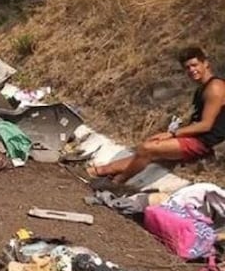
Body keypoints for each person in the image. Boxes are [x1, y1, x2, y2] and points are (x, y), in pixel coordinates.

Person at [89, 46, 225, 184]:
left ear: (206, 63)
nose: (191, 70)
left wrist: (172, 134)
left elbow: (206, 125)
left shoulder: (215, 87)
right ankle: (102, 170)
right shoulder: (202, 88)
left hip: (201, 143)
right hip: (195, 138)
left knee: (147, 149)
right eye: (187, 67)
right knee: (149, 147)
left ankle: (117, 182)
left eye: (194, 65)